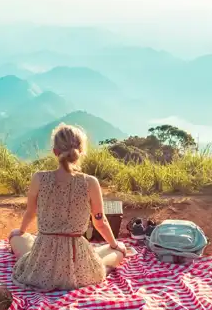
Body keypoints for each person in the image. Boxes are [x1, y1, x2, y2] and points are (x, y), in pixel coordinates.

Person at [9, 123, 127, 291]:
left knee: (16, 237)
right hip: (77, 260)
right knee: (117, 250)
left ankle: (31, 258)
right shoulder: (90, 182)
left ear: (55, 152)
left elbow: (30, 212)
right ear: (81, 152)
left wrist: (20, 231)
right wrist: (115, 244)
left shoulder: (39, 178)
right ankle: (104, 262)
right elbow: (100, 222)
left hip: (43, 258)